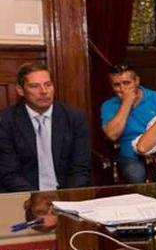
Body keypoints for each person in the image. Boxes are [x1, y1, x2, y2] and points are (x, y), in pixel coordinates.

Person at [0, 63, 90, 192]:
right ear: (20, 90)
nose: (44, 91)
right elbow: (9, 173)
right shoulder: (6, 121)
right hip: (23, 195)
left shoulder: (74, 117)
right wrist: (37, 198)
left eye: (48, 85)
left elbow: (80, 168)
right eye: (34, 86)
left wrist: (68, 197)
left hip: (66, 195)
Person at [100, 64, 156, 183]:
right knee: (135, 174)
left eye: (127, 83)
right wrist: (126, 103)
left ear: (137, 81)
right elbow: (112, 134)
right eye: (117, 85)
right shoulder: (108, 106)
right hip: (130, 156)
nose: (122, 89)